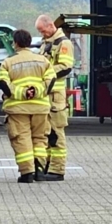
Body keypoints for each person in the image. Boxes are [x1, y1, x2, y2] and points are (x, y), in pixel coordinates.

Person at [0, 29, 56, 184]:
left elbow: (3, 83)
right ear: (29, 43)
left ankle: (27, 173)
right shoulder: (43, 60)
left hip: (18, 109)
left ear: (15, 43)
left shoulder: (8, 62)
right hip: (40, 108)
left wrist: (22, 93)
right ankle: (40, 171)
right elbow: (51, 81)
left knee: (21, 139)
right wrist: (36, 92)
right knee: (40, 139)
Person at [35, 14, 75, 181]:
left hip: (56, 98)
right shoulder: (46, 43)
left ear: (51, 26)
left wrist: (46, 74)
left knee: (57, 134)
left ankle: (57, 170)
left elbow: (66, 67)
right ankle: (48, 166)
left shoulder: (63, 43)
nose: (42, 34)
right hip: (46, 96)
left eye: (43, 31)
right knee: (47, 134)